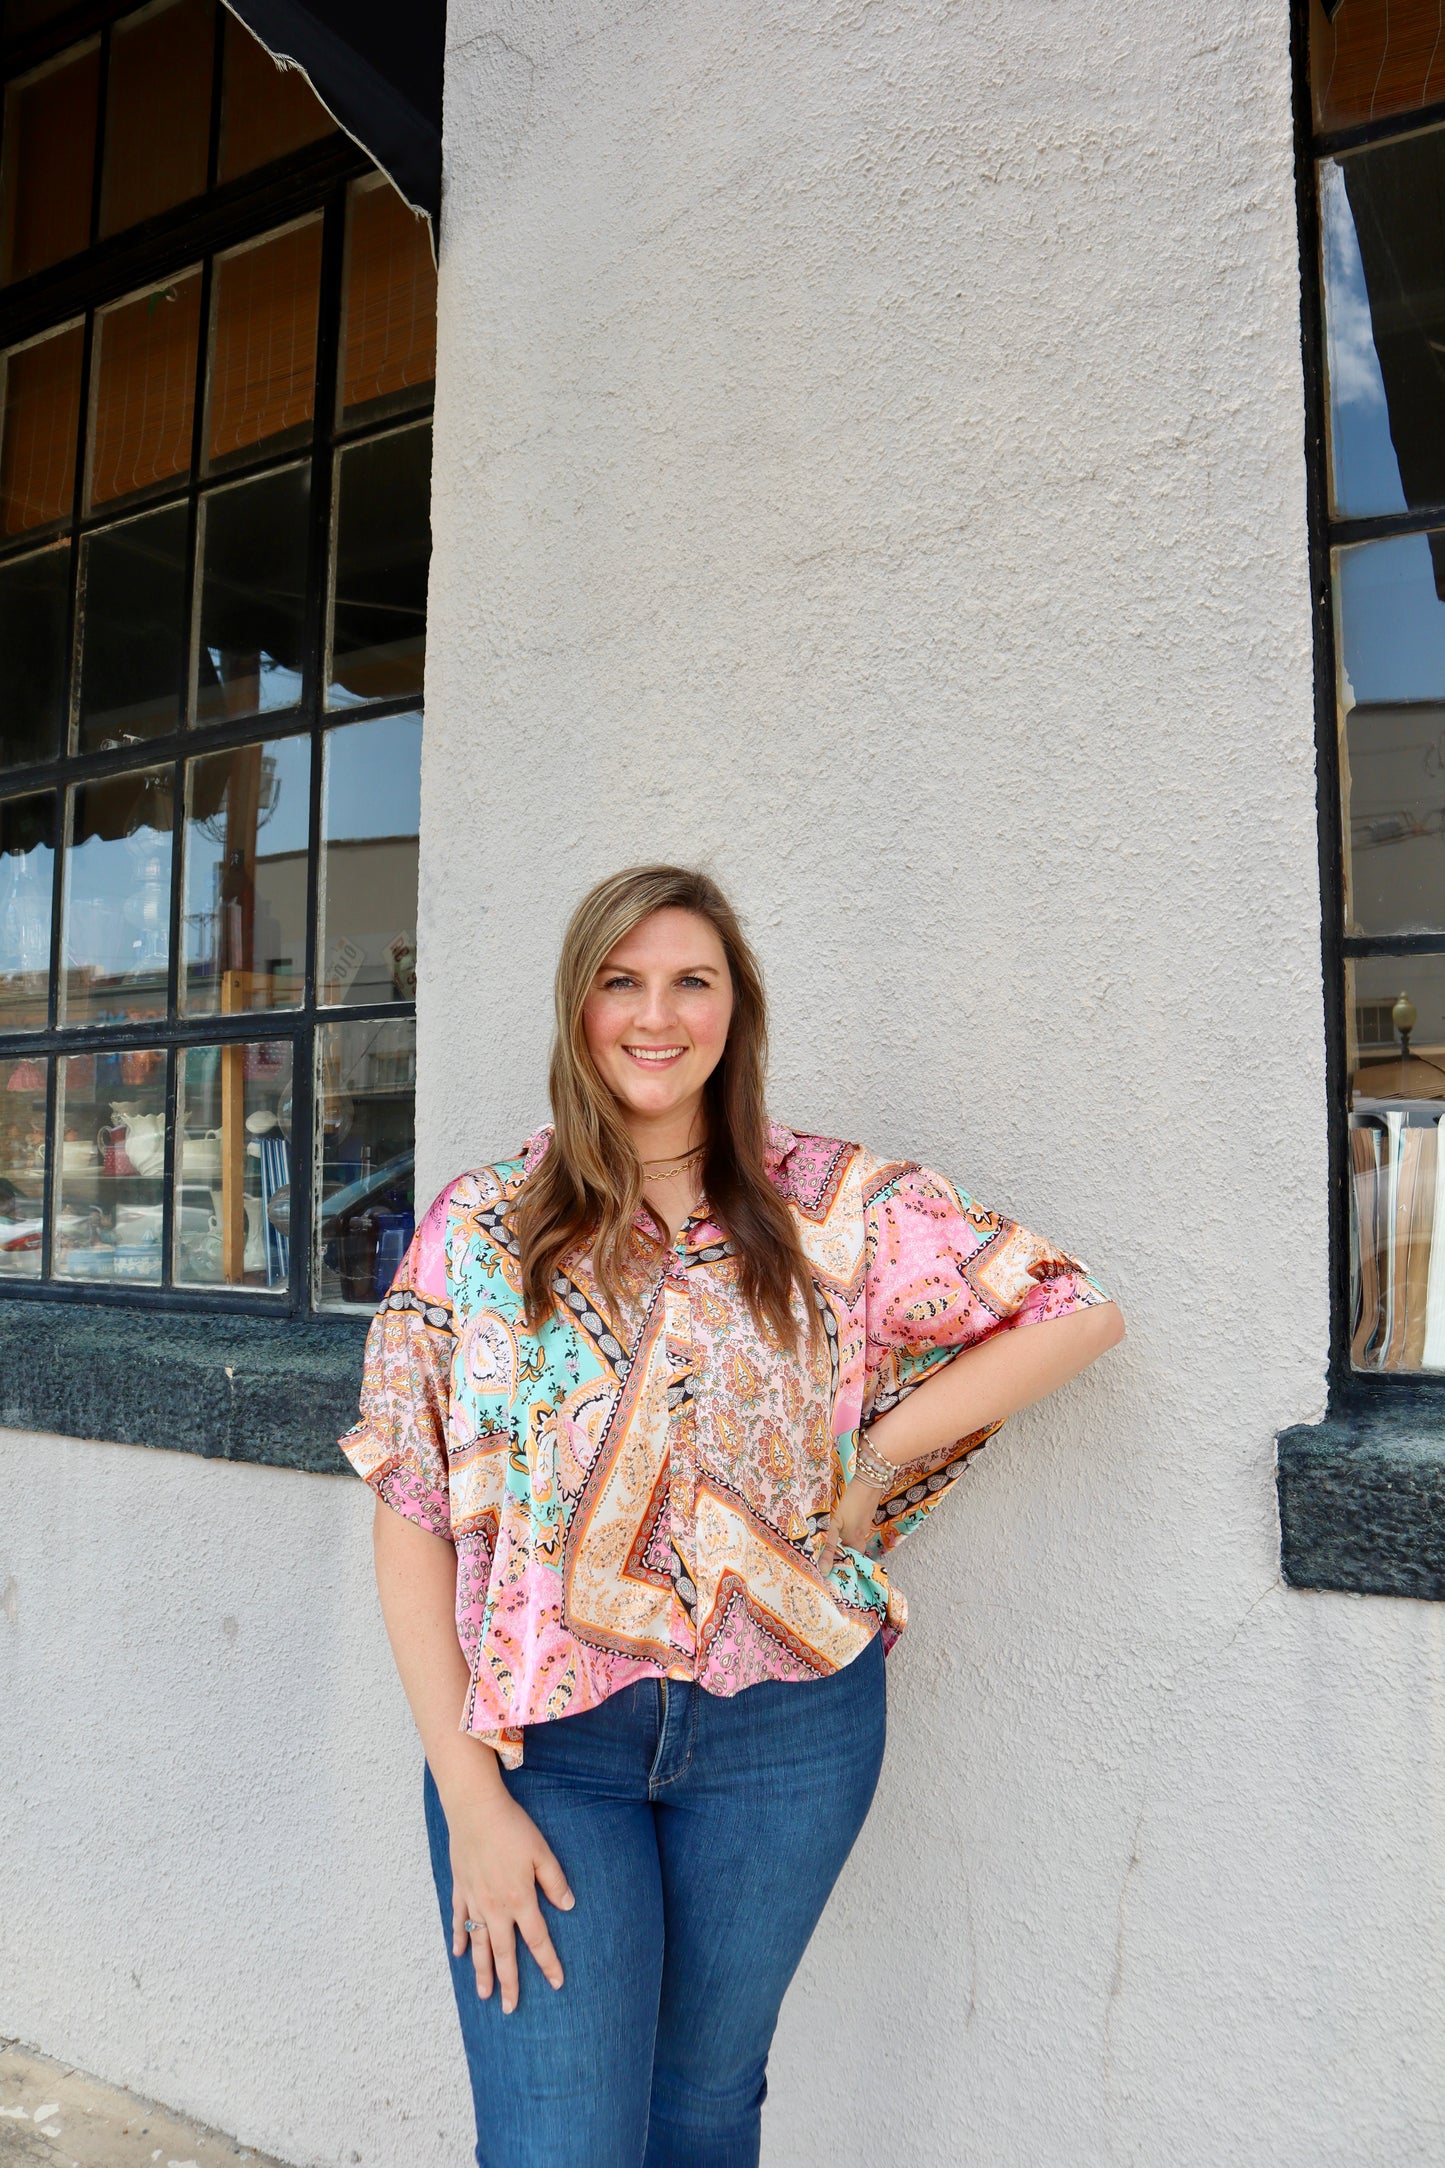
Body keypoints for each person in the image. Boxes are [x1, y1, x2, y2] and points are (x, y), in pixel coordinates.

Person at [340, 863, 1124, 2168]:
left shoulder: (834, 1207)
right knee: (558, 2144)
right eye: (621, 981)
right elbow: (410, 1505)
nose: (657, 1015)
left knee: (702, 2112)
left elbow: (1072, 1310)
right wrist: (465, 1796)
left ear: (732, 1009)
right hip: (547, 1750)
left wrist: (877, 1457)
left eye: (690, 980)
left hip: (788, 1733)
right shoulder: (483, 1226)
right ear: (576, 1009)